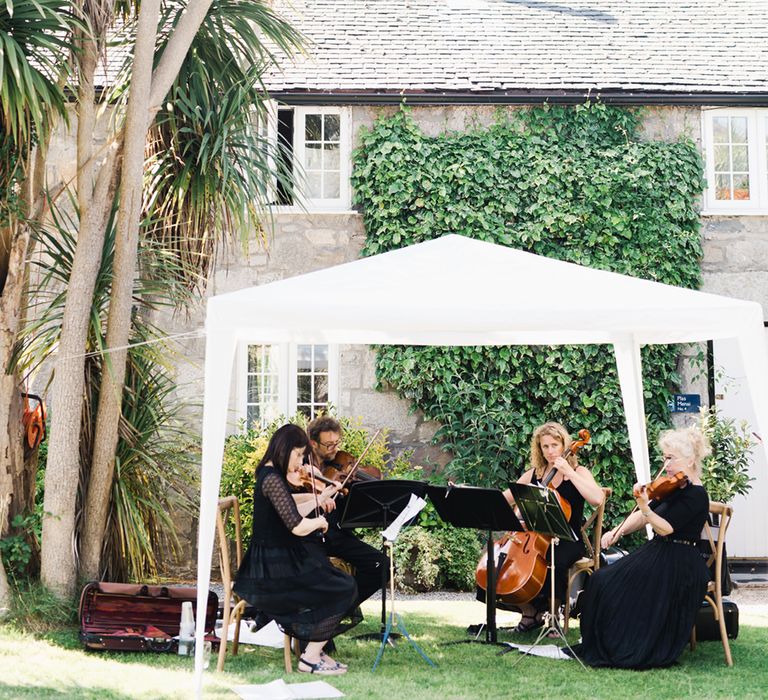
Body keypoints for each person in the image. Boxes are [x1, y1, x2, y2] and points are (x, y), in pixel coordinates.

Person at [568, 426, 712, 669]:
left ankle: (623, 642)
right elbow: (645, 516)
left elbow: (665, 527)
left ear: (690, 460)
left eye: (671, 458)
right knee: (602, 579)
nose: (665, 464)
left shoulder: (697, 495)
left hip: (680, 561)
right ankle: (603, 639)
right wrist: (618, 531)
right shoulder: (674, 486)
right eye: (664, 457)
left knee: (613, 583)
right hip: (661, 552)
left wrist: (644, 507)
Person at [233, 424, 360, 675]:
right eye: (299, 455)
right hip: (271, 569)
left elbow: (290, 510)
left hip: (275, 558)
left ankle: (315, 650)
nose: (301, 461)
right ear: (287, 449)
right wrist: (320, 521)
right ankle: (310, 658)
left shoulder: (270, 473)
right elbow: (298, 526)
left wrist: (321, 499)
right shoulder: (271, 479)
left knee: (335, 579)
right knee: (345, 587)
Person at [499, 421, 604, 634]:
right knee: (501, 561)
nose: (550, 451)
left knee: (555, 558)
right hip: (536, 537)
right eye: (545, 446)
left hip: (568, 538)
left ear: (564, 445)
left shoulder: (579, 471)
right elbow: (506, 499)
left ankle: (555, 617)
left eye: (554, 445)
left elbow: (597, 499)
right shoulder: (534, 474)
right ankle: (530, 612)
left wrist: (569, 473)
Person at [306, 416, 390, 609]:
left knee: (382, 565)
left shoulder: (341, 464)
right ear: (313, 443)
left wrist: (353, 488)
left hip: (338, 535)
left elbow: (350, 508)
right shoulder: (301, 466)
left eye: (337, 443)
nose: (334, 449)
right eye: (328, 445)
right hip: (310, 537)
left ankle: (339, 610)